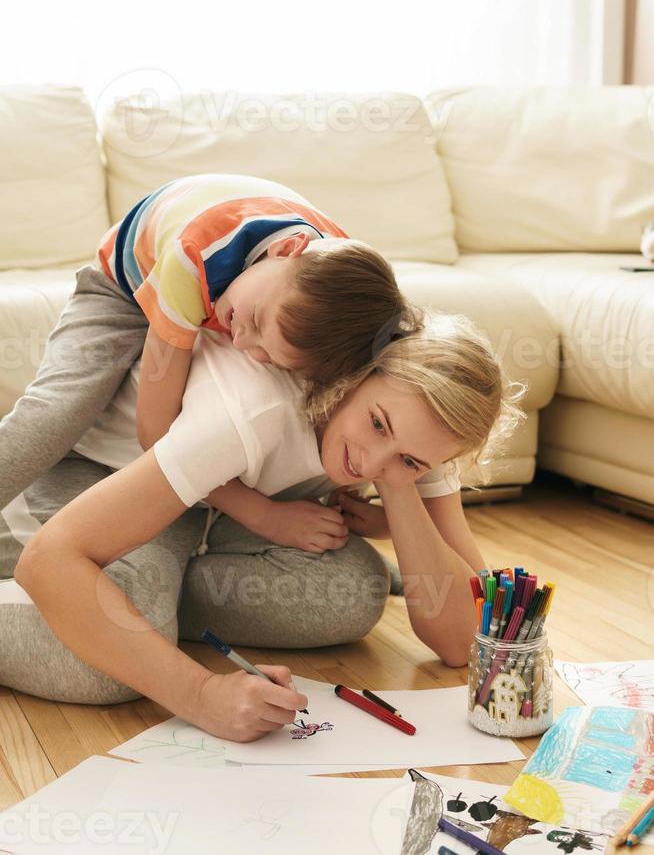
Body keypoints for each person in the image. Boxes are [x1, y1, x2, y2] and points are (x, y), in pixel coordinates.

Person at [2, 314, 524, 743]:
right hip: (110, 480)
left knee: (353, 590)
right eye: (377, 424)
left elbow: (465, 639)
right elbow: (52, 558)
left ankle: (132, 603)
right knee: (100, 671)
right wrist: (202, 694)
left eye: (413, 459)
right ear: (356, 373)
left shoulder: (422, 426)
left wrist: (400, 478)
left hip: (213, 508)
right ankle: (118, 602)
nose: (366, 463)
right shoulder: (253, 408)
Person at [0, 172, 418, 512]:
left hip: (225, 279)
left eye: (267, 356)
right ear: (287, 250)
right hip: (124, 286)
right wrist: (261, 514)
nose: (241, 342)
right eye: (254, 322)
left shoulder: (348, 299)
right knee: (58, 411)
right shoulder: (195, 256)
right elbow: (156, 433)